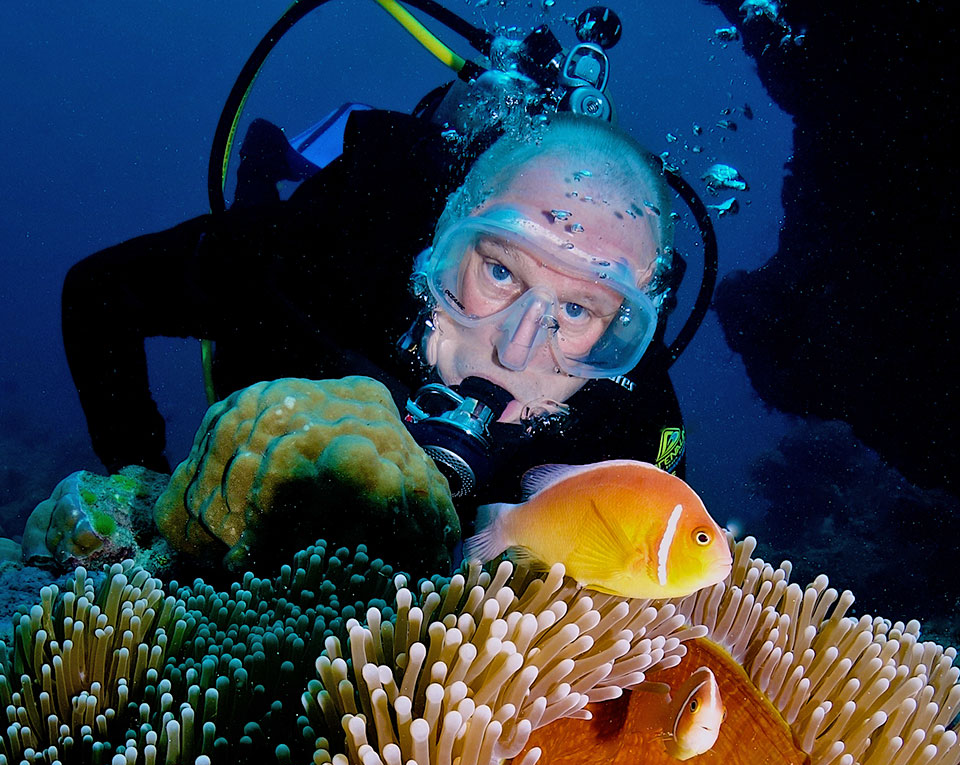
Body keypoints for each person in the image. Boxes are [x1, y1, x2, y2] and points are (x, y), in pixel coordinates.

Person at [62, 101, 686, 518]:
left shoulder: (630, 417)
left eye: (578, 313)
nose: (514, 349)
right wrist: (137, 479)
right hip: (307, 273)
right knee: (248, 246)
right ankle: (268, 160)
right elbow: (96, 292)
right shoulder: (331, 255)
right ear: (446, 242)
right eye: (499, 271)